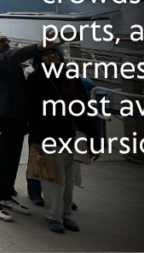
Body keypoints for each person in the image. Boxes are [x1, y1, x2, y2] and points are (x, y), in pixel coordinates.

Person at [0, 29, 63, 222]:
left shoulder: (6, 60)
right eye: (1, 40)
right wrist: (37, 47)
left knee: (12, 159)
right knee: (0, 160)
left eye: (7, 39)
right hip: (0, 118)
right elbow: (9, 59)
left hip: (14, 119)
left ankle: (6, 195)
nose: (7, 42)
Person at [27, 47, 98, 233]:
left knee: (69, 179)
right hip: (50, 136)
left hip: (74, 135)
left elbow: (85, 107)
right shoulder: (36, 79)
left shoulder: (72, 77)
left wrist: (94, 139)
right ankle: (53, 216)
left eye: (56, 54)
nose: (53, 56)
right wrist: (38, 140)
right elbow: (34, 112)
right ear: (39, 59)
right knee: (53, 179)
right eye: (47, 54)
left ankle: (66, 214)